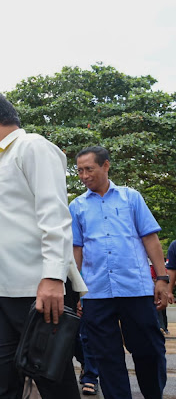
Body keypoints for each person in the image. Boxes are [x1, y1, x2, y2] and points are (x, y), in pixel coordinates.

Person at [0, 92, 85, 399]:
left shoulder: (32, 147)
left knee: (50, 375)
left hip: (35, 288)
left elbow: (55, 216)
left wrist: (53, 276)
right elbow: (3, 232)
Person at [70, 146, 167, 399]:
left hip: (134, 287)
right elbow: (76, 250)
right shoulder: (77, 206)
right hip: (96, 291)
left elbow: (150, 238)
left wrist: (162, 278)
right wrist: (77, 291)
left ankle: (153, 393)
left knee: (149, 349)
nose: (84, 175)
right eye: (79, 171)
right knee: (106, 355)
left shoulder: (130, 198)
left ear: (106, 166)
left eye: (89, 169)